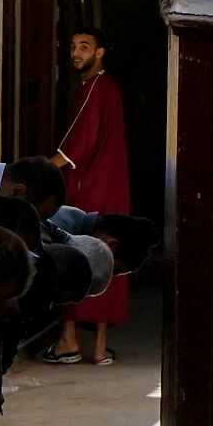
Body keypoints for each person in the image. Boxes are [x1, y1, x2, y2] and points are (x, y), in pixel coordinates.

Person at [46, 27, 130, 363]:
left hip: (89, 188)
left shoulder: (95, 89)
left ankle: (68, 341)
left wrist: (42, 169)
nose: (76, 53)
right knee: (108, 257)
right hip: (114, 188)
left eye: (84, 47)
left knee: (74, 254)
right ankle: (99, 348)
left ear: (101, 53)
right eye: (72, 47)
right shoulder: (108, 89)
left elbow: (79, 143)